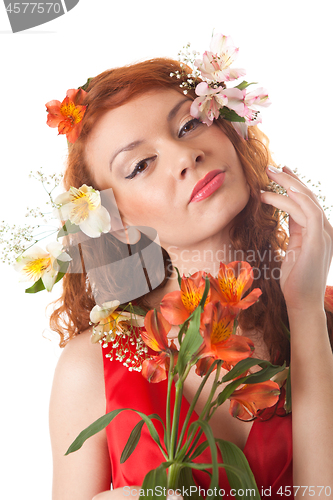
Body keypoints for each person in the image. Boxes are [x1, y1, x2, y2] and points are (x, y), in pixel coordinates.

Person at [48, 55, 333, 500]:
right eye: (140, 164)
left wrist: (306, 310)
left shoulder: (323, 314)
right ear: (116, 222)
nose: (185, 155)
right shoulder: (91, 368)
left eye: (188, 125)